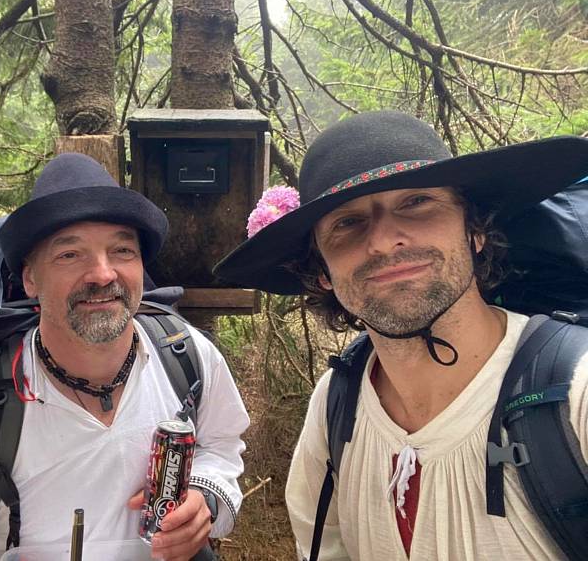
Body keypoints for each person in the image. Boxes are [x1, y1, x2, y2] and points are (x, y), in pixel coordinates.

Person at [213, 111, 588, 560]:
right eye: (347, 223)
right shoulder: (338, 401)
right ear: (322, 273)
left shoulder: (575, 393)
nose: (385, 240)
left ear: (475, 231)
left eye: (416, 203)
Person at [0, 153, 249, 561]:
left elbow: (222, 446)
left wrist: (206, 497)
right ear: (30, 278)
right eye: (70, 254)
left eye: (122, 251)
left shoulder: (185, 354)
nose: (103, 274)